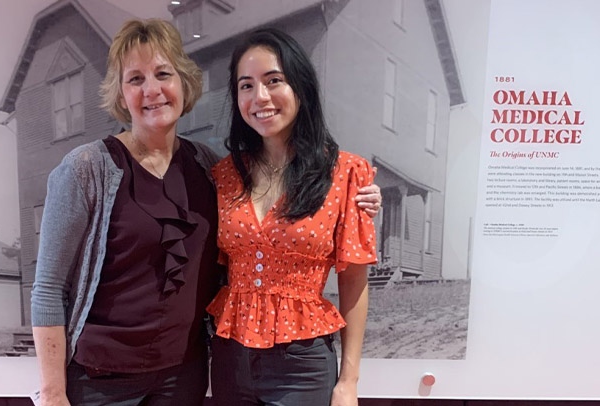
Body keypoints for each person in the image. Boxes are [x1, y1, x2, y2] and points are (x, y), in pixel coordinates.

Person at [31, 19, 381, 406]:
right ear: (120, 92)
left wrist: (348, 381)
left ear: (183, 83)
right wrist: (51, 391)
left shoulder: (214, 169)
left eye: (163, 74)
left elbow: (344, 275)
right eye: (135, 79)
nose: (152, 90)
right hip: (108, 378)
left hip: (191, 375)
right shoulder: (93, 169)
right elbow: (48, 287)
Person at [207, 28, 377, 406]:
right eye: (246, 86)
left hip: (301, 364)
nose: (260, 97)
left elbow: (353, 283)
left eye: (273, 81)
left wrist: (348, 382)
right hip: (230, 358)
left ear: (301, 86)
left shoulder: (346, 174)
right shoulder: (223, 175)